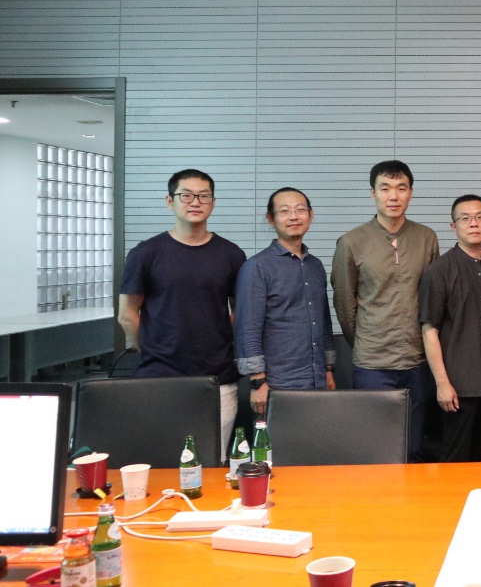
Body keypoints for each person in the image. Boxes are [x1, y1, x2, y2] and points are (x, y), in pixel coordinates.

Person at [118, 169, 246, 461]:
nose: (195, 202)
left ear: (213, 203)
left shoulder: (231, 254)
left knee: (213, 460)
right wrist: (153, 349)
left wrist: (217, 341)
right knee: (161, 459)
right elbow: (127, 314)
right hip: (159, 376)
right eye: (186, 195)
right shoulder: (145, 253)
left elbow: (240, 311)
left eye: (204, 196)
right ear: (170, 201)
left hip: (217, 376)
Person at [331, 160, 439, 462]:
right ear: (373, 193)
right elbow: (344, 303)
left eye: (401, 188)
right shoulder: (351, 242)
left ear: (411, 193)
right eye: (385, 188)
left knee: (415, 446)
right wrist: (365, 339)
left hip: (418, 359)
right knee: (375, 447)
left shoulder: (426, 238)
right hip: (373, 362)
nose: (393, 196)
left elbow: (433, 298)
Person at [420, 194, 481, 462]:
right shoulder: (438, 271)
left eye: (479, 217)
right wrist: (442, 383)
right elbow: (429, 331)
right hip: (459, 385)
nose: (473, 223)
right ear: (453, 226)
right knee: (456, 458)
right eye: (465, 218)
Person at [234, 188, 336, 416]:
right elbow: (248, 328)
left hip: (317, 379)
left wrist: (328, 369)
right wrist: (258, 381)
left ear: (310, 215)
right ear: (271, 219)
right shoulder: (257, 267)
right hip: (277, 384)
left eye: (300, 210)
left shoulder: (315, 266)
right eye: (284, 211)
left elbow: (323, 321)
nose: (293, 216)